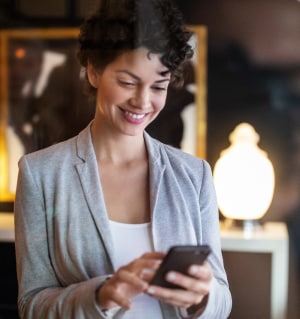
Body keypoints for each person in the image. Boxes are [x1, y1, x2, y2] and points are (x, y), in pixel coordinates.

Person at [14, 0, 232, 318]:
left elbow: (223, 299)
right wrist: (99, 295)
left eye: (159, 86)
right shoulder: (41, 174)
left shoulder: (194, 175)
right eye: (128, 82)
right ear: (93, 71)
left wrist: (202, 298)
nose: (143, 101)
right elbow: (31, 304)